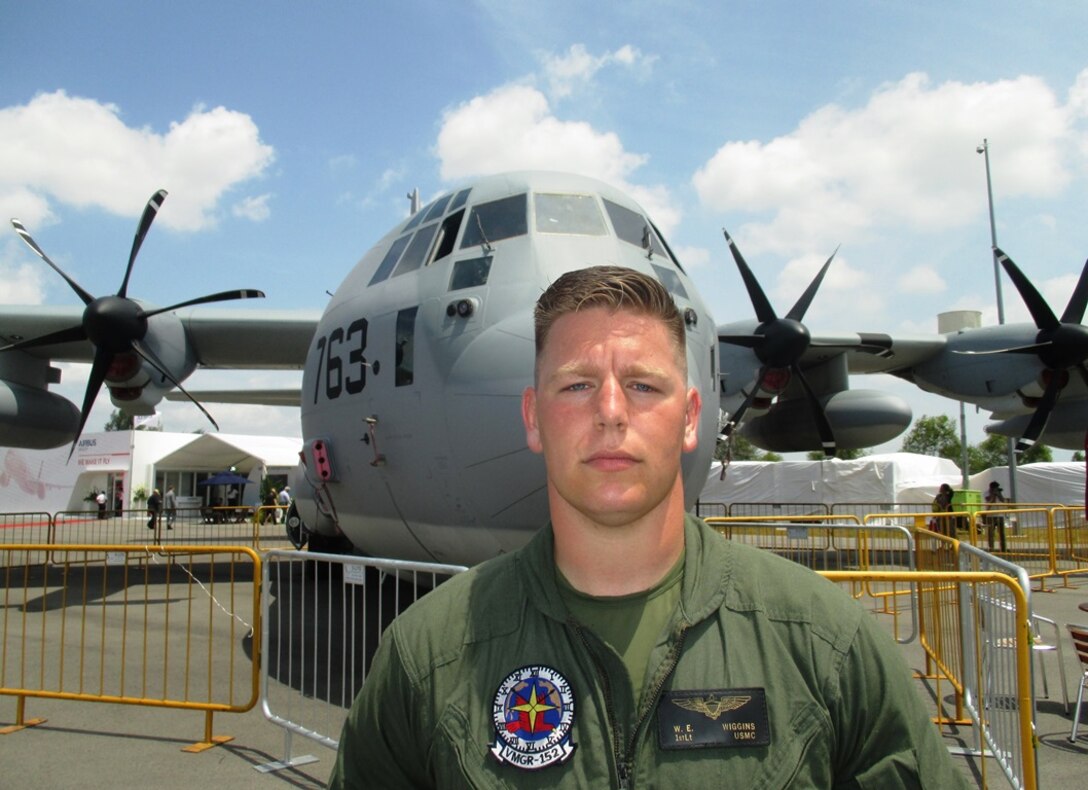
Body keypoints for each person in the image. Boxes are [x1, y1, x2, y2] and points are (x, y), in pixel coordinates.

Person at [328, 266, 967, 788]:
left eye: (642, 385)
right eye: (576, 386)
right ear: (532, 417)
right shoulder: (423, 657)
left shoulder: (828, 645)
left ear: (692, 417)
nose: (610, 412)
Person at [984, 480, 1008, 552]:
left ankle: (1003, 548)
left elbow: (1003, 500)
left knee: (1002, 533)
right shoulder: (986, 493)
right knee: (991, 533)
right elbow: (990, 501)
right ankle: (991, 548)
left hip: (999, 515)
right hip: (990, 515)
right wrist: (993, 495)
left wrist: (999, 494)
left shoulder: (999, 493)